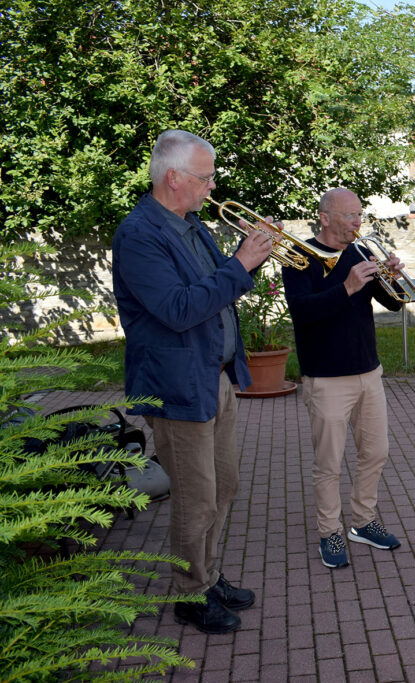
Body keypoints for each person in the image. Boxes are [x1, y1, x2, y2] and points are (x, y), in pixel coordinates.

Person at [112, 129, 273, 634]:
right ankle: (189, 591)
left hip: (214, 376)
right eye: (204, 178)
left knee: (225, 485)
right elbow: (179, 310)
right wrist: (242, 265)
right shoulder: (139, 235)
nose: (211, 187)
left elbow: (214, 292)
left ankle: (207, 573)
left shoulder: (194, 224)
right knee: (195, 496)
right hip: (176, 384)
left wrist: (241, 263)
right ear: (173, 177)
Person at [281, 187, 404, 570]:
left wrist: (394, 278)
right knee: (329, 462)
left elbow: (393, 303)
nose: (357, 222)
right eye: (349, 215)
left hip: (368, 370)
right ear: (325, 217)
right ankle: (329, 529)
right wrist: (347, 286)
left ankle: (363, 521)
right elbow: (302, 312)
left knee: (375, 452)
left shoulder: (360, 251)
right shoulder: (298, 256)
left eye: (359, 215)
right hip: (327, 376)